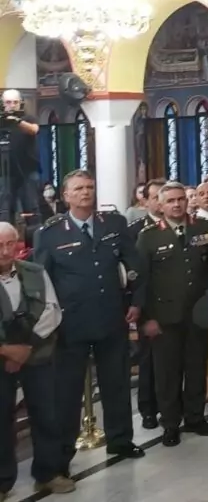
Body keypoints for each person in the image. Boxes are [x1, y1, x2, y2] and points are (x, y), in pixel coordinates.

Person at [33, 171, 145, 469]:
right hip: (71, 324)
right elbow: (41, 281)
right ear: (66, 196)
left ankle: (120, 439)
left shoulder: (113, 224)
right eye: (79, 188)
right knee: (67, 393)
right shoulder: (50, 233)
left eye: (90, 187)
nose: (86, 192)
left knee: (116, 383)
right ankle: (62, 456)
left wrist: (136, 302)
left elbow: (133, 265)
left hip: (111, 316)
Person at [136, 182, 208, 446]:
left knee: (196, 369)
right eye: (170, 200)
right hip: (164, 317)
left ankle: (195, 417)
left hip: (198, 313)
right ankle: (170, 423)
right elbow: (142, 281)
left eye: (181, 199)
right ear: (161, 205)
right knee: (167, 374)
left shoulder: (201, 227)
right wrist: (146, 318)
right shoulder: (149, 236)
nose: (177, 204)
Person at [0, 222, 71, 496]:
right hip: (2, 356)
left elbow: (52, 311)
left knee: (46, 413)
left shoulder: (35, 271)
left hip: (36, 353)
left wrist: (26, 348)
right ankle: (3, 480)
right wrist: (7, 350)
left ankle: (48, 473)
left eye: (10, 244)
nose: (5, 251)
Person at [129, 178, 166, 429]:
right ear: (146, 201)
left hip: (174, 304)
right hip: (148, 304)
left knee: (172, 361)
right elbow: (135, 275)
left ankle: (171, 407)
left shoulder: (180, 226)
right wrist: (140, 310)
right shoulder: (135, 231)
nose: (160, 203)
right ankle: (149, 410)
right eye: (155, 198)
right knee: (148, 361)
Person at [0, 89, 40, 224]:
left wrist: (17, 121)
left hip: (28, 170)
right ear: (2, 103)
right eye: (8, 102)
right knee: (5, 208)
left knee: (31, 205)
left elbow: (34, 130)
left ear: (20, 103)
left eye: (15, 102)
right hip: (4, 172)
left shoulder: (28, 118)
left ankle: (33, 234)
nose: (12, 105)